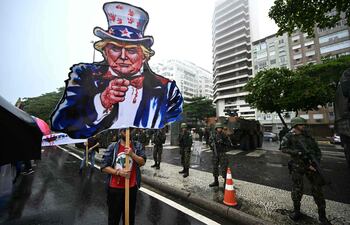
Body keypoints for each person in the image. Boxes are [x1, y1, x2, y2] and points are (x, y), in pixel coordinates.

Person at [51, 2, 183, 139]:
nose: (123, 56)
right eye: (115, 48)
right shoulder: (84, 74)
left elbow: (173, 122)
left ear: (144, 56)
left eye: (131, 50)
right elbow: (61, 123)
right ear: (105, 52)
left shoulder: (168, 89)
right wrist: (102, 101)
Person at [280, 117, 331, 225]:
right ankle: (296, 212)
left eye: (303, 125)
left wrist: (315, 162)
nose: (304, 126)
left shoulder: (307, 135)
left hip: (312, 166)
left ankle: (322, 217)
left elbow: (317, 149)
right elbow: (283, 148)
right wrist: (297, 152)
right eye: (301, 124)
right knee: (297, 189)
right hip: (298, 165)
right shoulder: (289, 136)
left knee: (318, 190)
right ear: (295, 125)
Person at [101, 128, 146, 225]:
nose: (126, 133)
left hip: (131, 188)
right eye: (124, 130)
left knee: (129, 219)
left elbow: (142, 162)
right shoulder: (113, 147)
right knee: (114, 218)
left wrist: (132, 154)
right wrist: (119, 173)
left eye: (129, 130)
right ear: (120, 132)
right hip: (115, 189)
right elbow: (104, 167)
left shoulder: (137, 146)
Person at [209, 123, 231, 188]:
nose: (219, 129)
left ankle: (225, 182)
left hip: (222, 153)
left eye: (220, 128)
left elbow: (229, 143)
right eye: (218, 128)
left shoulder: (224, 135)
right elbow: (209, 142)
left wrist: (222, 142)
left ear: (221, 128)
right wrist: (211, 144)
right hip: (215, 153)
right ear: (216, 129)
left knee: (224, 168)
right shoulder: (213, 135)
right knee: (215, 167)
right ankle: (216, 181)